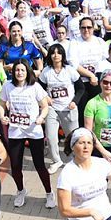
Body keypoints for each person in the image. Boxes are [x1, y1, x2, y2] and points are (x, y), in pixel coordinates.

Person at [0, 60, 54, 208]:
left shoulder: (34, 86)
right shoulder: (8, 87)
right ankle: (21, 190)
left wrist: (41, 117)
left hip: (34, 131)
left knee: (39, 165)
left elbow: (45, 106)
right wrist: (2, 116)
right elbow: (1, 105)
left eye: (22, 70)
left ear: (27, 71)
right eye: (17, 70)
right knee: (16, 166)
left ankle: (49, 193)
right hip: (15, 131)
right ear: (13, 72)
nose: (20, 73)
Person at [41, 43, 89, 173]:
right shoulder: (46, 71)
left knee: (73, 137)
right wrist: (46, 96)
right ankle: (56, 160)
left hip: (69, 108)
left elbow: (81, 88)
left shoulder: (70, 70)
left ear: (63, 55)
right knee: (51, 137)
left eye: (58, 53)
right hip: (53, 109)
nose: (56, 55)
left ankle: (76, 159)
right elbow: (39, 88)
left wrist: (75, 101)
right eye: (53, 53)